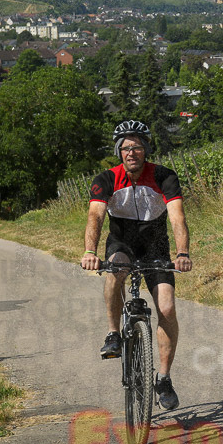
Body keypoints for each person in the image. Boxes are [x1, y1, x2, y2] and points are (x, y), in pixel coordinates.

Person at [80, 120, 193, 410]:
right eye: (126, 147)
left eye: (137, 147)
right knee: (115, 271)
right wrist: (90, 251)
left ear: (146, 150)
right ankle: (113, 333)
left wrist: (182, 253)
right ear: (119, 152)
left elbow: (177, 217)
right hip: (122, 242)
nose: (132, 152)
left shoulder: (164, 176)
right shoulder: (106, 179)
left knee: (166, 308)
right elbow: (95, 217)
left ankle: (164, 378)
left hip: (155, 243)